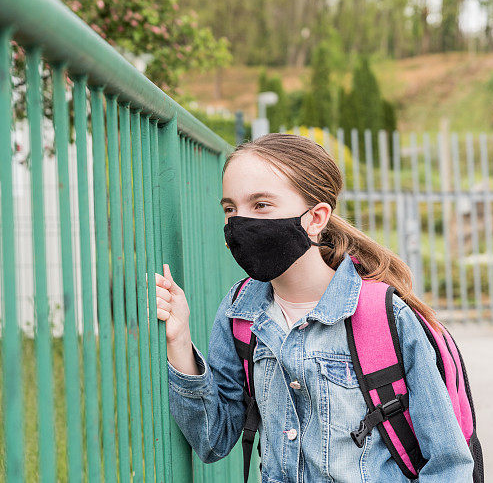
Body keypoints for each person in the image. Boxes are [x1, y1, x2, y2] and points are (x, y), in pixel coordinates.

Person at [158, 133, 474, 482]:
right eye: (231, 209)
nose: (239, 223)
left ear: (316, 217)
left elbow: (449, 465)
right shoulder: (239, 313)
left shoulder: (385, 317)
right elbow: (212, 440)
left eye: (261, 205)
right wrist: (179, 339)